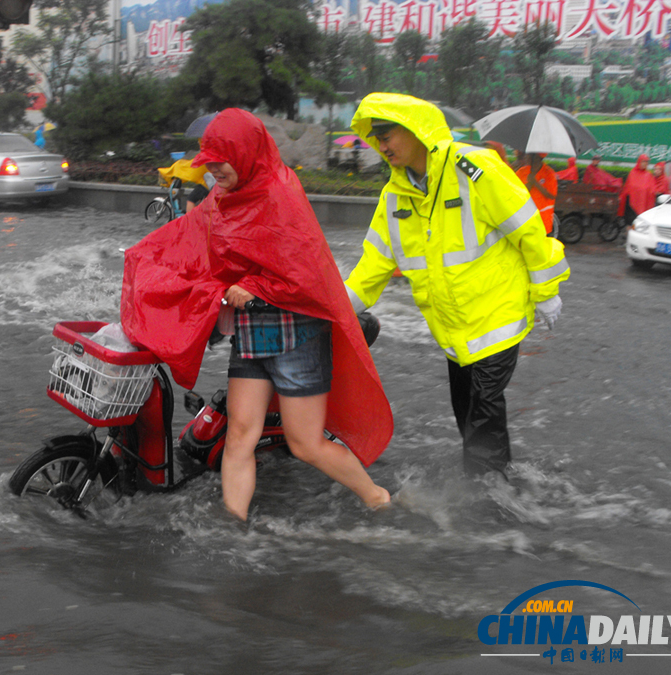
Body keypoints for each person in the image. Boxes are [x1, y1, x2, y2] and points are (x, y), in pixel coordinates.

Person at [120, 109, 393, 520]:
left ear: (245, 152)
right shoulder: (223, 197)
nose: (213, 170)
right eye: (208, 162)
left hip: (297, 336)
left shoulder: (281, 194)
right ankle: (236, 525)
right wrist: (148, 259)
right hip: (250, 335)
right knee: (238, 438)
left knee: (306, 444)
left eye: (220, 160)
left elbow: (307, 274)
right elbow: (192, 238)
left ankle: (377, 498)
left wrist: (258, 288)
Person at [344, 93, 570, 479]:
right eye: (376, 138)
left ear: (416, 131)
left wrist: (547, 292)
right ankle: (500, 485)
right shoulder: (395, 196)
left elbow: (529, 231)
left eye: (387, 134)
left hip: (498, 317)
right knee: (467, 416)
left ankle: (489, 505)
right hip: (455, 333)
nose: (381, 145)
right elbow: (371, 268)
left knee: (484, 411)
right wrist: (332, 309)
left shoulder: (474, 169)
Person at [516, 153, 559, 234]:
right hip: (524, 220)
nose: (526, 157)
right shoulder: (521, 172)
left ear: (536, 158)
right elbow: (515, 191)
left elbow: (552, 195)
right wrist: (529, 183)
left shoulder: (549, 173)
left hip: (542, 222)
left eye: (528, 155)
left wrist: (536, 183)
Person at [618, 154, 656, 223]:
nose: (645, 164)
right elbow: (628, 187)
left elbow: (652, 190)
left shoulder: (649, 175)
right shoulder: (632, 173)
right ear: (639, 162)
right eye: (643, 161)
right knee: (629, 222)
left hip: (643, 203)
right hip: (631, 204)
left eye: (647, 162)